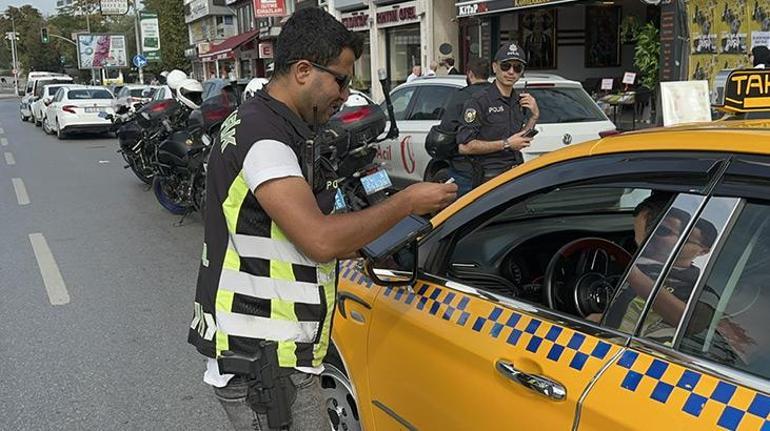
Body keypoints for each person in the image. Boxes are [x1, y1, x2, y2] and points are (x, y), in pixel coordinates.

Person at [188, 8, 457, 431]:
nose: (346, 94)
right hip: (263, 357)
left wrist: (369, 239)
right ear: (302, 70)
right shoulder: (264, 138)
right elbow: (319, 240)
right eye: (341, 79)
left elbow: (296, 233)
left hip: (273, 353)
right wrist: (404, 203)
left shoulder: (267, 124)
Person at [454, 43, 539, 192]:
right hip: (489, 179)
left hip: (516, 173)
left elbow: (521, 139)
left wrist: (534, 116)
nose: (511, 72)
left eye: (517, 68)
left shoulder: (519, 101)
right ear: (495, 67)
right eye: (506, 66)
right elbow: (464, 146)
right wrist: (506, 144)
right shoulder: (478, 101)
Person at [431, 57, 492, 195]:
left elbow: (447, 129)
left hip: (466, 169)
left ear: (470, 74)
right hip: (498, 168)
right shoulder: (498, 95)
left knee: (462, 213)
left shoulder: (462, 96)